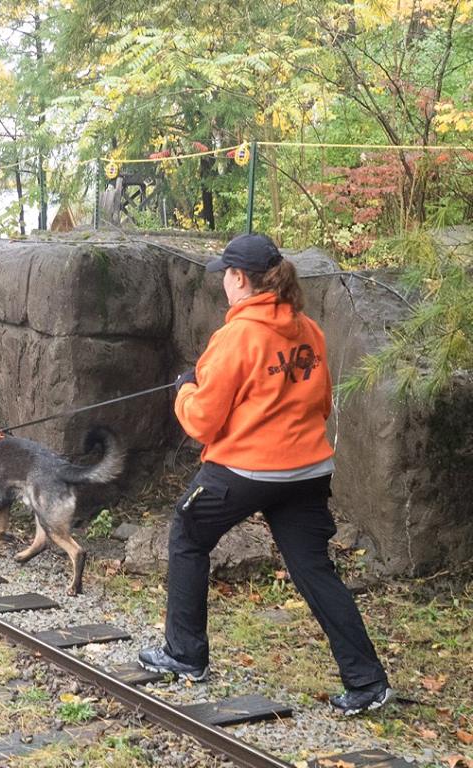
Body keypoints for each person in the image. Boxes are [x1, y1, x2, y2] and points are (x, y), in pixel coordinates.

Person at [137, 233, 393, 716]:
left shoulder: (235, 336)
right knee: (314, 569)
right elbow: (319, 403)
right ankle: (367, 682)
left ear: (239, 279)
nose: (223, 284)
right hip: (307, 470)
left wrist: (183, 391)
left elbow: (202, 422)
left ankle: (185, 655)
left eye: (225, 276)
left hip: (244, 469)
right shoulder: (308, 329)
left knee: (188, 534)